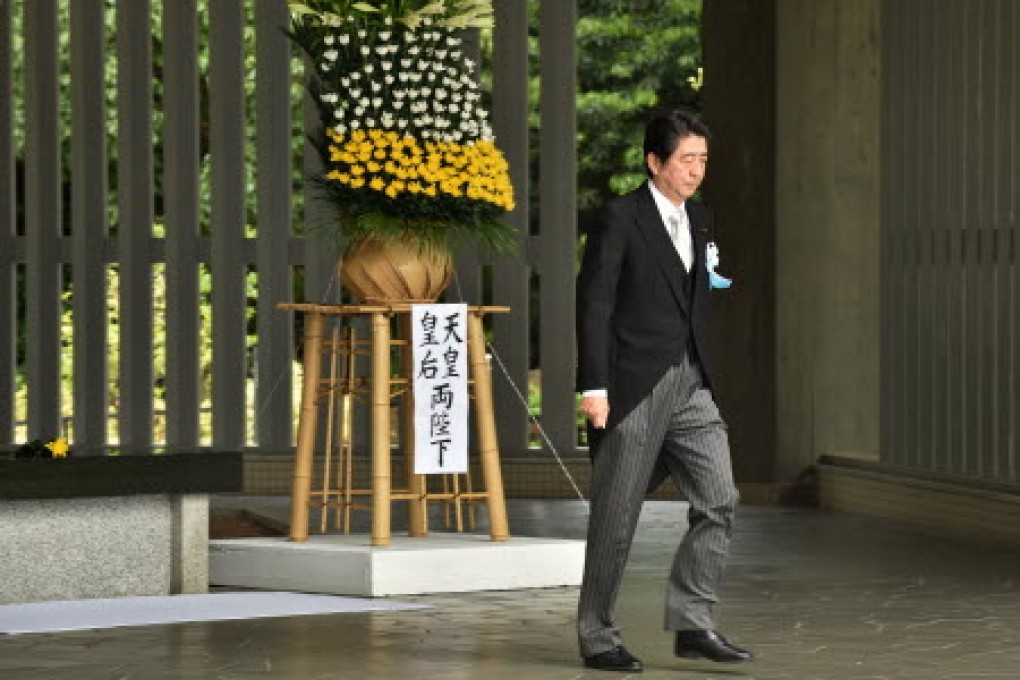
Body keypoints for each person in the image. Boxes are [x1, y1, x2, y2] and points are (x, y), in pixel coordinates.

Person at [575, 109, 751, 672]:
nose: (697, 170)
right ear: (655, 162)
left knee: (719, 497)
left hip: (692, 382)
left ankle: (693, 622)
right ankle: (597, 636)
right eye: (686, 159)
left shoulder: (701, 217)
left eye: (703, 159)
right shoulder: (620, 217)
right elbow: (594, 302)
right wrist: (594, 386)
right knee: (616, 517)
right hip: (633, 384)